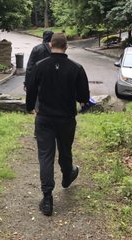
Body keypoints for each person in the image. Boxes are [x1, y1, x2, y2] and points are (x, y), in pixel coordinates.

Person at [25, 33, 90, 216]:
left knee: (45, 156)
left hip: (44, 118)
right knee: (65, 150)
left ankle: (47, 199)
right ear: (66, 46)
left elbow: (31, 89)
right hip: (66, 119)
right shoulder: (76, 68)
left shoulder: (40, 67)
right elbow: (84, 97)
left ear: (50, 44)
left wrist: (30, 107)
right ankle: (67, 176)